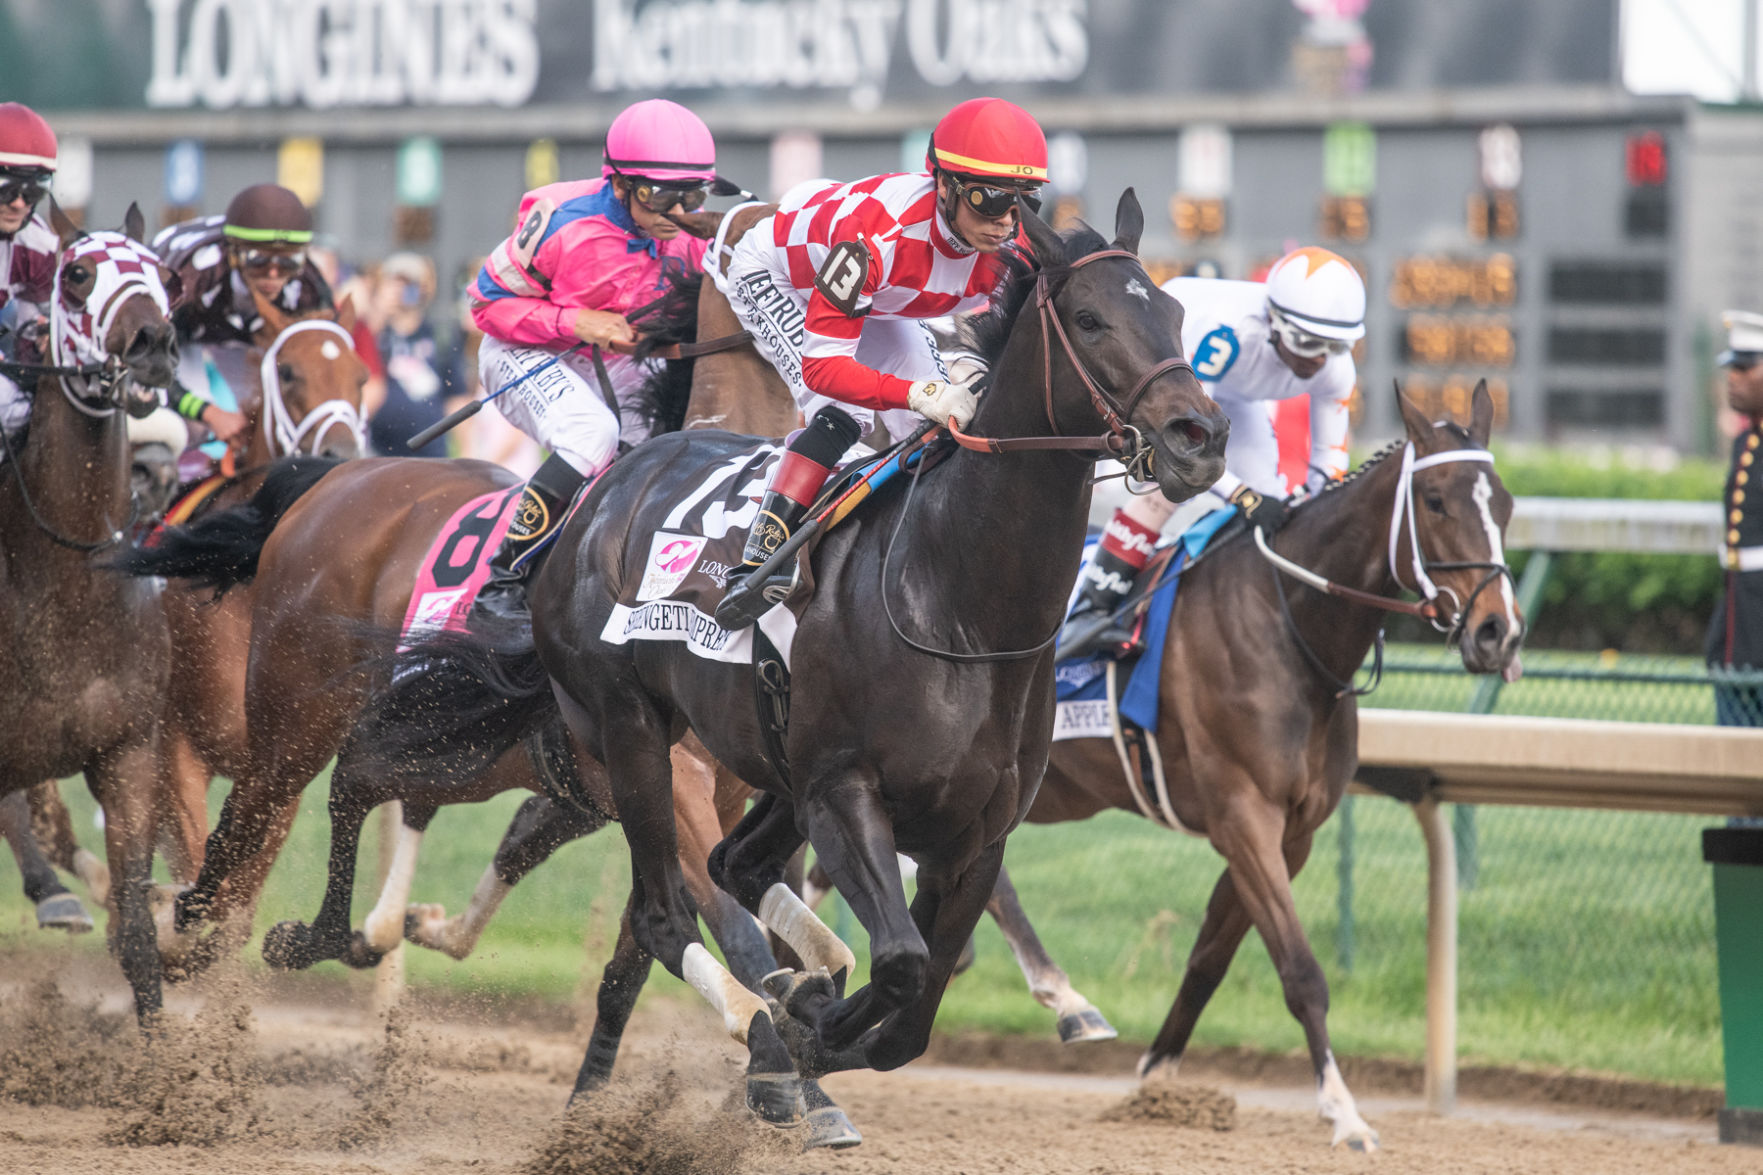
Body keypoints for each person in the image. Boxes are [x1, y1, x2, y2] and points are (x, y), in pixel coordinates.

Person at [713, 96, 1048, 627]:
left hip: (882, 299)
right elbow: (824, 368)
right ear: (945, 185)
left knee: (936, 426)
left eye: (1023, 203)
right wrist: (920, 390)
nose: (1006, 222)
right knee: (845, 412)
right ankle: (762, 559)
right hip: (778, 275)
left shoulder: (1013, 247)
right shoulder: (877, 238)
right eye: (989, 200)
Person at [468, 98, 727, 617]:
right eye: (660, 196)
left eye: (692, 196)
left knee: (665, 452)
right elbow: (485, 304)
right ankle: (503, 581)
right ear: (619, 185)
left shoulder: (692, 237)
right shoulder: (559, 220)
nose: (677, 214)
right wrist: (574, 322)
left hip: (614, 363)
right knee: (593, 434)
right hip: (524, 349)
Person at [1058, 246, 1365, 659]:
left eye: (1332, 346)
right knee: (1171, 485)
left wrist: (1313, 515)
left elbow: (1329, 462)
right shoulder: (1226, 331)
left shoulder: (1335, 368)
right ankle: (1091, 607)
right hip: (1180, 375)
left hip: (1240, 397)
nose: (1319, 360)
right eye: (1307, 342)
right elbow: (1188, 443)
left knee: (1271, 493)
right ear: (1275, 322)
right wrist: (1244, 497)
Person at [152, 183, 335, 453]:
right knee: (194, 428)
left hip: (245, 337)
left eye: (288, 262)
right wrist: (209, 413)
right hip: (184, 335)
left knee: (256, 423)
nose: (273, 275)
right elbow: (151, 365)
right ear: (235, 255)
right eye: (259, 260)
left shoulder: (308, 289)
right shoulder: (191, 282)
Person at [1709, 311, 1763, 729]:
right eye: (1732, 367)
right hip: (1740, 611)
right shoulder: (1747, 441)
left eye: (1746, 368)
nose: (1734, 378)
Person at [0, 103, 60, 451]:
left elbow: (30, 328)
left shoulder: (39, 245)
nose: (20, 205)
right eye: (7, 190)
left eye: (33, 193)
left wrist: (43, 344)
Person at [365, 251, 453, 459]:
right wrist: (380, 309)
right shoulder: (375, 332)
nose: (401, 291)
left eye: (409, 283)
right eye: (395, 283)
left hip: (430, 451)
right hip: (378, 449)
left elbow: (456, 395)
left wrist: (469, 449)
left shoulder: (437, 335)